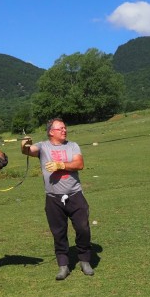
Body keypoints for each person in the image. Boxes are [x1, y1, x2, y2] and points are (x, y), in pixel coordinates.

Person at [21, 118, 94, 280]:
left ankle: (85, 260)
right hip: (53, 199)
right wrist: (24, 144)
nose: (64, 130)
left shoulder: (72, 145)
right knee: (58, 232)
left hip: (75, 195)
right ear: (51, 132)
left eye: (64, 128)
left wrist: (61, 165)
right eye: (60, 128)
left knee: (83, 228)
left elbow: (79, 164)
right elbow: (27, 151)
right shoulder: (43, 146)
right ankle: (63, 266)